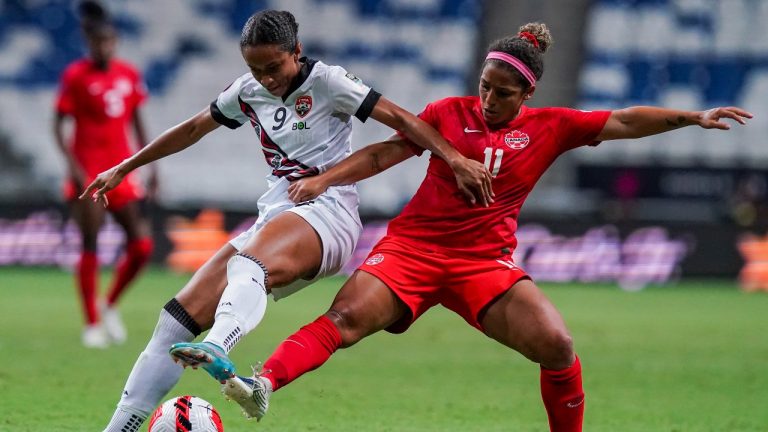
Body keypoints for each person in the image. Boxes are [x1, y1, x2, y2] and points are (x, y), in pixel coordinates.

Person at [219, 23, 753, 431]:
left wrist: (691, 116)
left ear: (527, 96)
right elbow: (384, 153)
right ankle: (261, 383)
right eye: (484, 87)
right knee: (346, 318)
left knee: (557, 346)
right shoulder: (449, 112)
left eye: (502, 93)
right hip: (412, 250)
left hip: (483, 263)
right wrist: (325, 179)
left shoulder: (553, 127)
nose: (489, 100)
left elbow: (625, 120)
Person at [82, 9, 492, 432]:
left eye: (274, 66)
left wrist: (456, 159)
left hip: (330, 213)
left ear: (297, 51)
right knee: (173, 323)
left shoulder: (329, 82)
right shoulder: (247, 91)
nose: (267, 79)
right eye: (255, 69)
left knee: (248, 265)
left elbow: (405, 121)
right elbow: (192, 129)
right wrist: (126, 166)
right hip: (276, 214)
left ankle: (219, 346)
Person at [53, 0, 156, 349]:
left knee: (142, 245)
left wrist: (151, 166)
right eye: (99, 43)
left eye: (110, 42)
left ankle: (108, 304)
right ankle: (92, 324)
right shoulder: (76, 76)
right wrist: (75, 170)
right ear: (90, 44)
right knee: (91, 243)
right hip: (88, 174)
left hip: (122, 170)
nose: (105, 48)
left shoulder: (128, 75)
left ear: (116, 42)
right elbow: (57, 125)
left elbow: (138, 123)